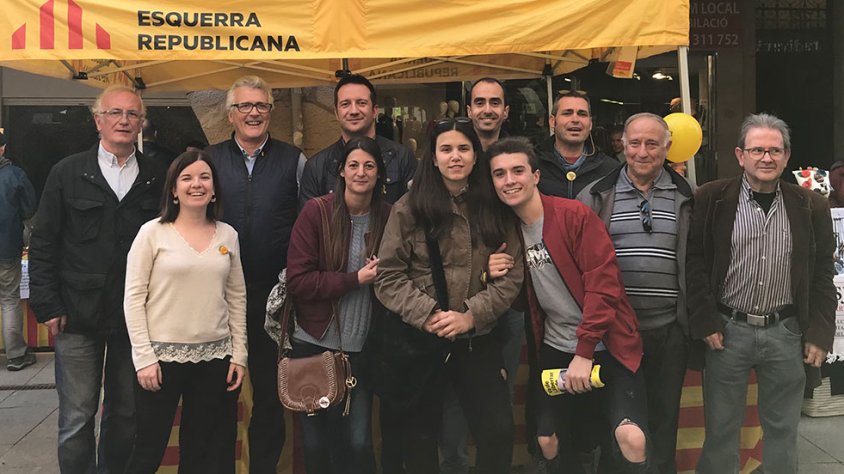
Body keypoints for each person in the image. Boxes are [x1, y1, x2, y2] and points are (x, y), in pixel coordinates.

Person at [487, 136, 649, 473]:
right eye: (499, 174)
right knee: (548, 440)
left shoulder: (573, 215)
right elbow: (524, 300)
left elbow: (604, 287)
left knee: (631, 438)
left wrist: (585, 351)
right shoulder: (508, 231)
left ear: (535, 176)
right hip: (556, 347)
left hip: (607, 344)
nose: (509, 180)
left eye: (517, 170)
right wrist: (496, 275)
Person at [686, 113, 836, 473]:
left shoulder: (810, 205)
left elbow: (822, 273)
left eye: (774, 150)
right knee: (721, 430)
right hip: (727, 330)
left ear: (786, 156)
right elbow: (695, 264)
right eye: (757, 150)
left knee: (783, 429)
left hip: (786, 332)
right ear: (740, 155)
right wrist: (706, 320)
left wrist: (819, 332)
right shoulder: (712, 198)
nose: (766, 158)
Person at [28, 85, 165, 473]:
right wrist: (47, 304)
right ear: (98, 121)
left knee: (125, 415)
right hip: (76, 315)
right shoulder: (67, 172)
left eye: (132, 114)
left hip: (134, 320)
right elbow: (44, 242)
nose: (124, 121)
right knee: (76, 418)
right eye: (115, 113)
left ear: (141, 123)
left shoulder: (157, 177)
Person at [374, 118, 524, 474]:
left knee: (498, 432)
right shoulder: (408, 208)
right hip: (423, 339)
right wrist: (429, 315)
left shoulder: (495, 207)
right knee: (421, 439)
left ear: (475, 156)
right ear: (434, 158)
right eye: (446, 149)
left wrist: (471, 315)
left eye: (463, 148)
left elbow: (513, 273)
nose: (455, 157)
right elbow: (388, 276)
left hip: (478, 338)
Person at [578, 113, 693, 473]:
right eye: (634, 143)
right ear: (622, 145)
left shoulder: (689, 197)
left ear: (668, 147)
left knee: (663, 418)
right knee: (621, 423)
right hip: (614, 332)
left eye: (652, 143)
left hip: (669, 330)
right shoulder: (595, 195)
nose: (642, 152)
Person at [123, 151, 247, 473]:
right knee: (149, 448)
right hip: (160, 360)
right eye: (187, 178)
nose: (197, 184)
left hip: (214, 358)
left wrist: (239, 355)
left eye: (204, 177)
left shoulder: (228, 235)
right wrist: (144, 358)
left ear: (215, 188)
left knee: (201, 451)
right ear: (173, 190)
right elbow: (133, 299)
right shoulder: (151, 234)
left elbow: (236, 298)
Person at [205, 75, 304, 473]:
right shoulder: (208, 160)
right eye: (245, 106)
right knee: (217, 395)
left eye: (261, 106)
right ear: (230, 114)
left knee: (268, 393)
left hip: (272, 297)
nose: (253, 113)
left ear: (271, 112)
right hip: (217, 298)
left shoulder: (293, 159)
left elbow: (306, 223)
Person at [286, 136, 391, 474]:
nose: (361, 172)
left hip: (363, 349)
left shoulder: (389, 217)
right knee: (316, 444)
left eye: (369, 166)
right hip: (314, 345)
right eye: (354, 165)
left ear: (379, 174)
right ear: (342, 171)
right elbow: (298, 280)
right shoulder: (316, 212)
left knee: (359, 441)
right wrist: (354, 279)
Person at [438, 77, 523, 474]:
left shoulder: (517, 158)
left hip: (510, 302)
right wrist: (480, 265)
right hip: (455, 309)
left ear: (505, 111)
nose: (487, 109)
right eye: (479, 102)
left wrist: (495, 269)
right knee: (453, 402)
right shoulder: (453, 161)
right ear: (468, 109)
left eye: (495, 102)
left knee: (496, 404)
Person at [299, 74, 416, 208]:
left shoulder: (402, 158)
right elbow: (309, 224)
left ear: (375, 111)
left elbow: (415, 217)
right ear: (336, 113)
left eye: (361, 103)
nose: (353, 111)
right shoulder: (316, 167)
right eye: (345, 104)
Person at [0, 130, 38, 371]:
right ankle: (15, 355)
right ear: (3, 148)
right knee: (9, 299)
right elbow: (29, 209)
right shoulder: (15, 175)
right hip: (6, 248)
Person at [536, 91, 619, 199]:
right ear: (552, 121)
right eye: (567, 113)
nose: (575, 120)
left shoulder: (611, 170)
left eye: (582, 114)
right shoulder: (531, 163)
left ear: (590, 124)